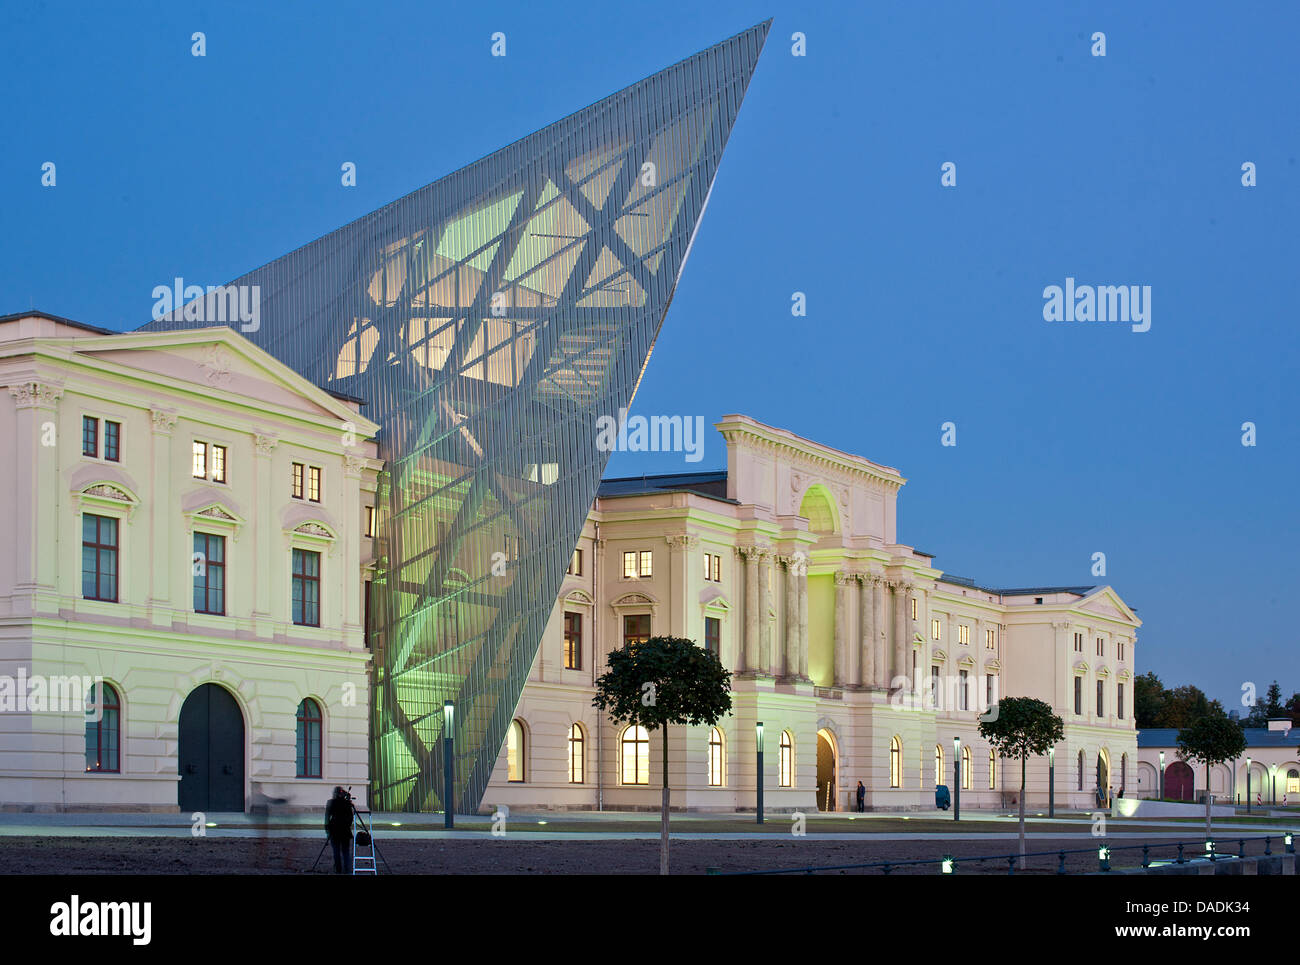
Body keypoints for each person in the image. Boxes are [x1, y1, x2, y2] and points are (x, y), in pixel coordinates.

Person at [325, 786, 355, 874]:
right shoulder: (347, 803)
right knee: (346, 852)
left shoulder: (331, 802)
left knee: (336, 851)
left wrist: (327, 830)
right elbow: (351, 817)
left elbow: (327, 818)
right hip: (345, 830)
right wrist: (347, 825)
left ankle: (338, 869)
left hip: (334, 830)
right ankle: (347, 869)